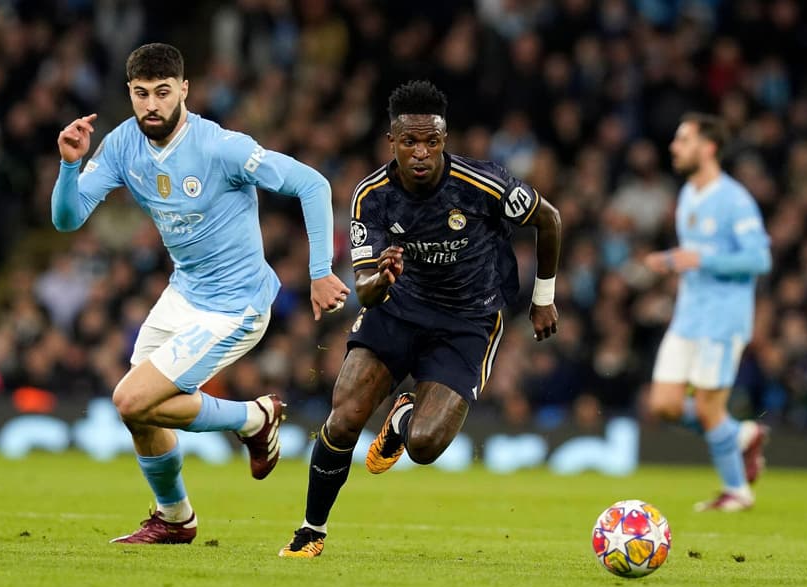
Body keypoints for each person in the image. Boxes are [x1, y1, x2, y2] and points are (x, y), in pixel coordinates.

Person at [52, 43, 350, 543]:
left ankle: (253, 417)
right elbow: (68, 218)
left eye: (163, 93)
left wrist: (320, 271)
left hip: (236, 305)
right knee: (141, 414)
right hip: (183, 294)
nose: (152, 105)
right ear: (129, 93)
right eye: (141, 94)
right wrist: (68, 165)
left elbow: (313, 184)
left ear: (184, 90)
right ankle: (175, 518)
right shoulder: (124, 144)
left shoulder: (220, 147)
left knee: (130, 399)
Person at [279, 80, 561, 557]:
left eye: (432, 141)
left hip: (468, 322)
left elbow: (549, 219)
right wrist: (382, 280)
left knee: (425, 447)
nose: (421, 152)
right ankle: (311, 530)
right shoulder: (372, 196)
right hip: (399, 308)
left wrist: (544, 297)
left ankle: (405, 415)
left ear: (445, 139)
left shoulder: (485, 185)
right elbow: (364, 286)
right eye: (410, 141)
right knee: (345, 417)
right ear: (392, 141)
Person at [644, 113, 771, 512]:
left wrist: (702, 259)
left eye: (683, 140)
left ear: (708, 147)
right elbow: (694, 257)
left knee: (707, 407)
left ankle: (737, 491)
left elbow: (759, 259)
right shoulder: (688, 195)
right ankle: (740, 434)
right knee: (663, 403)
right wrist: (671, 259)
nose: (674, 147)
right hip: (688, 316)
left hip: (722, 318)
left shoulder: (734, 199)